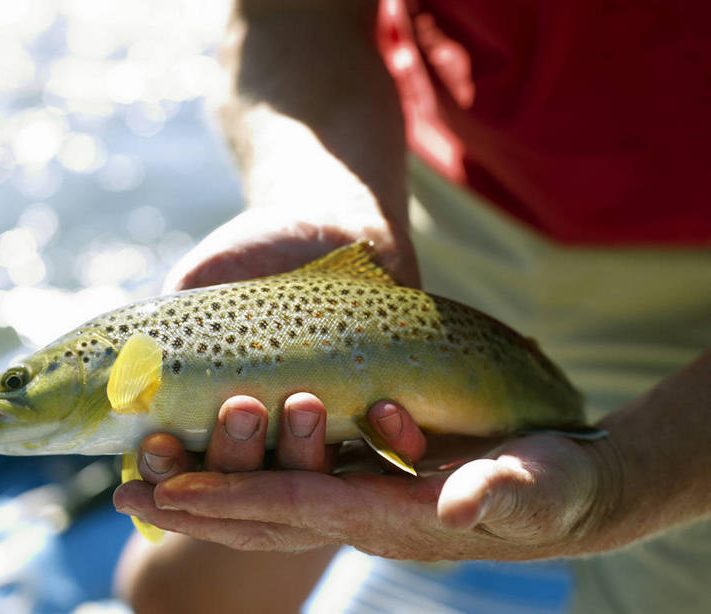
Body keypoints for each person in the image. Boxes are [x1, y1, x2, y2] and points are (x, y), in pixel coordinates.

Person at [113, 1, 711, 612]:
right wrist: (320, 197)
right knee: (175, 595)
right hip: (417, 202)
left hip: (695, 296)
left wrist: (618, 487)